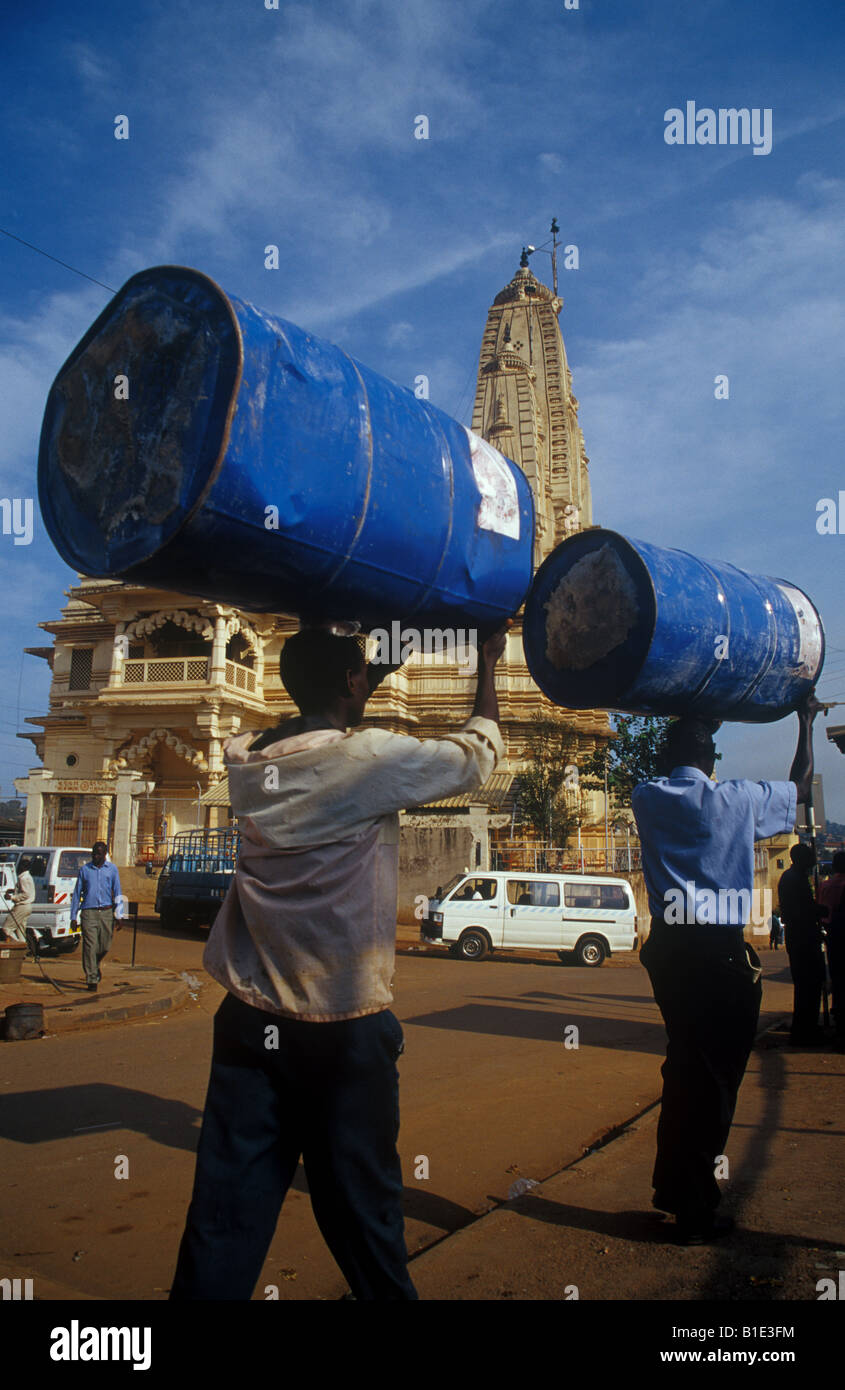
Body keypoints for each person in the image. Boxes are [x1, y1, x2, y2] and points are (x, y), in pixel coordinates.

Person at [170, 622, 509, 1301]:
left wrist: (366, 659)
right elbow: (477, 755)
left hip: (249, 1020)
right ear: (353, 685)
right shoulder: (371, 760)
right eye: (359, 677)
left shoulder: (244, 757)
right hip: (341, 1027)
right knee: (365, 1216)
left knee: (224, 1215)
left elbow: (319, 705)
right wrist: (487, 664)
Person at [631, 691, 820, 1244]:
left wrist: (689, 719)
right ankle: (694, 1208)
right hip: (719, 956)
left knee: (684, 1066)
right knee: (714, 1082)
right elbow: (802, 787)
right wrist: (804, 722)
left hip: (669, 952)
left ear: (669, 758)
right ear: (712, 758)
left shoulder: (647, 796)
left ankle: (672, 1188)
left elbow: (680, 758)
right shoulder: (739, 800)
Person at [778, 843, 826, 1044]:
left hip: (798, 935)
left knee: (806, 984)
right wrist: (820, 911)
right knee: (809, 983)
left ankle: (804, 1028)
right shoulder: (796, 879)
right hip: (803, 935)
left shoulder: (791, 877)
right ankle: (805, 1030)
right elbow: (801, 910)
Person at [70, 841, 123, 992]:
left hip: (106, 912)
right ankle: (91, 978)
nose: (95, 856)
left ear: (105, 854)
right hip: (89, 912)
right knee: (90, 946)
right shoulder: (85, 870)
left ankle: (95, 963)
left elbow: (117, 891)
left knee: (104, 945)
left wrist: (119, 914)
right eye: (94, 853)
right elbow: (76, 893)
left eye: (99, 854)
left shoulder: (112, 870)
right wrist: (73, 916)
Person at [818, 851, 845, 1050]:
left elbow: (820, 911)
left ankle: (839, 1017)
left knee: (837, 977)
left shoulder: (825, 887)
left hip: (833, 937)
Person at [3, 856, 35, 943]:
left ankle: (17, 945)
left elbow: (26, 894)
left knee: (7, 928)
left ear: (22, 867)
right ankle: (22, 949)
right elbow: (25, 891)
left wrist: (12, 897)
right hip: (27, 906)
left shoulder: (23, 878)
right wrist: (13, 891)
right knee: (20, 930)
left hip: (22, 906)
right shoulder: (27, 877)